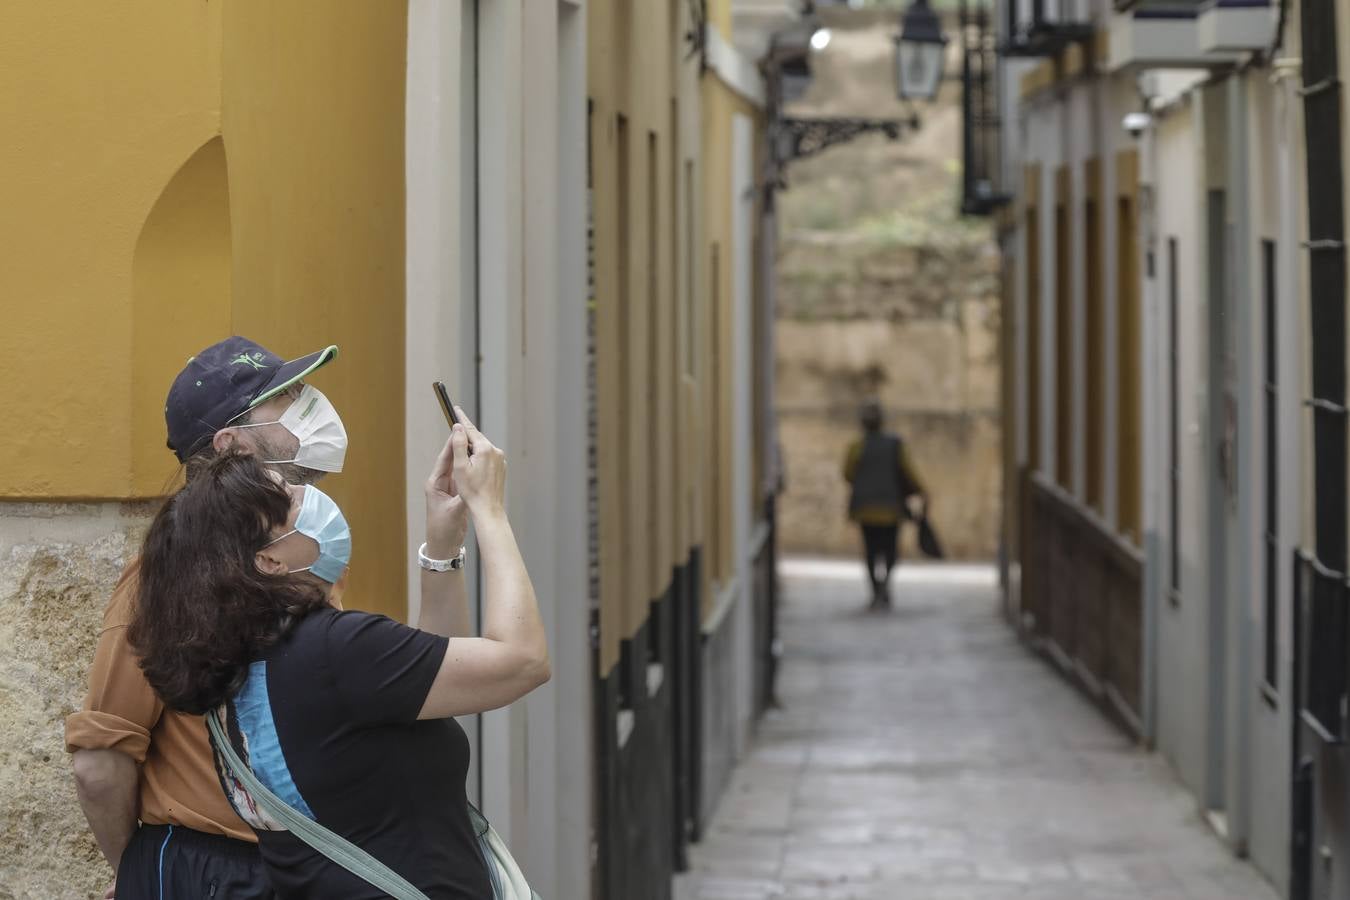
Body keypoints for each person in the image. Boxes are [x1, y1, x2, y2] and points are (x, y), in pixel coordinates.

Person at [127, 407, 548, 897]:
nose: (308, 496)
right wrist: (489, 509)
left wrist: (442, 545)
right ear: (268, 560)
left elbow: (437, 686)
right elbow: (522, 660)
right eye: (289, 498)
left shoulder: (249, 668)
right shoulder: (333, 651)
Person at [66, 336, 346, 899]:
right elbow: (99, 764)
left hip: (305, 868)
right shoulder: (160, 578)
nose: (310, 404)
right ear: (231, 444)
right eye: (286, 396)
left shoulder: (313, 552)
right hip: (208, 869)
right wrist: (142, 874)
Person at [842, 400, 928, 610]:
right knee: (890, 549)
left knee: (871, 550)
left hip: (865, 509)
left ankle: (876, 589)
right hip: (890, 508)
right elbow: (908, 471)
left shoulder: (857, 447)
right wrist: (921, 491)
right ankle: (884, 584)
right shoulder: (895, 445)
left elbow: (848, 473)